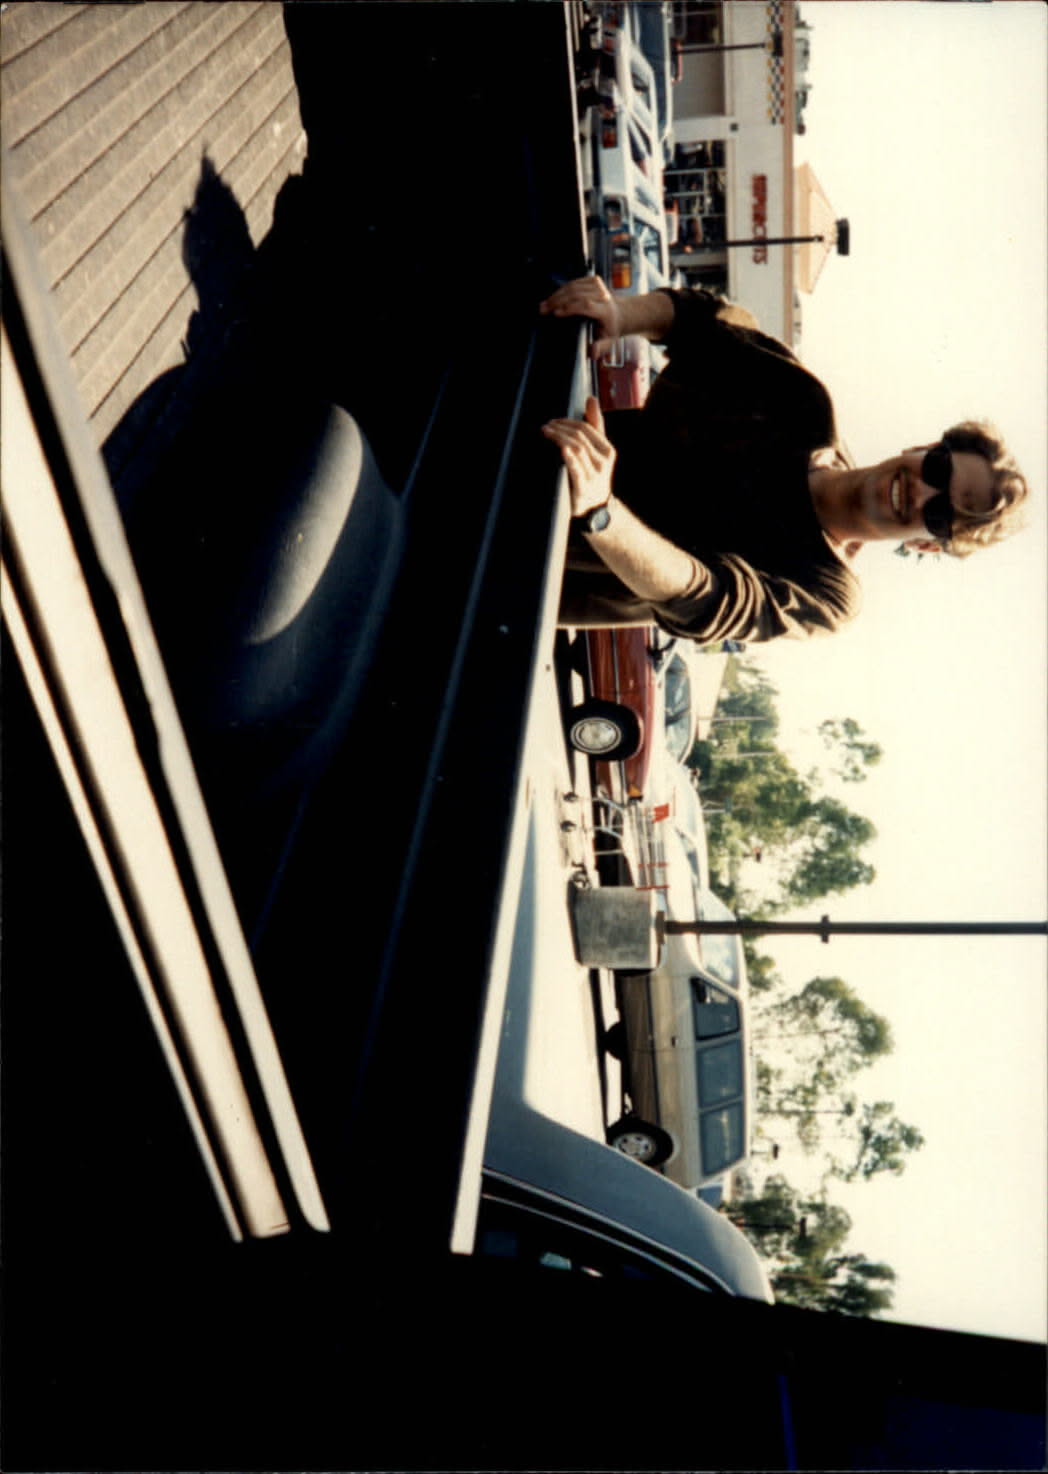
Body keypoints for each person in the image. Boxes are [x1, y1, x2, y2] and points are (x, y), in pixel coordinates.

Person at [539, 276, 1029, 644]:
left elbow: (709, 601)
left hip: (521, 562)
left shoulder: (827, 594)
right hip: (530, 445)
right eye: (938, 470)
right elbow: (707, 320)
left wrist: (601, 512)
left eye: (939, 515)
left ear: (926, 544)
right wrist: (621, 314)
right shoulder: (802, 405)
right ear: (921, 448)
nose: (922, 491)